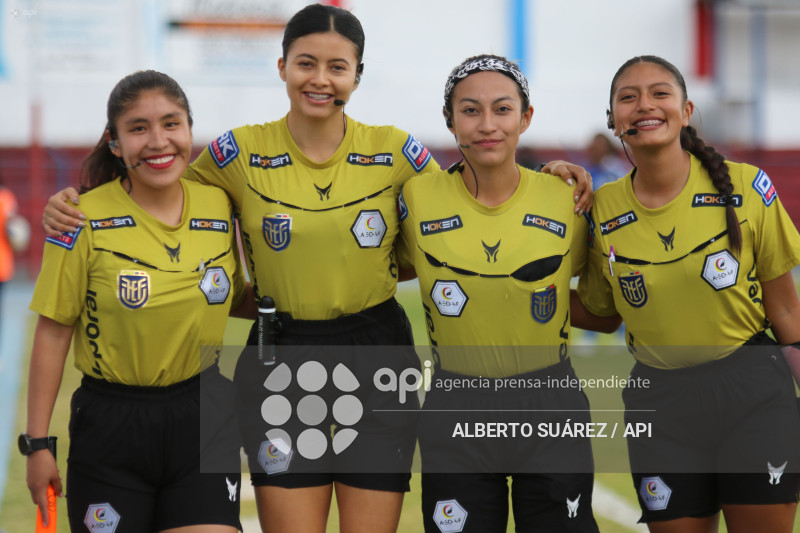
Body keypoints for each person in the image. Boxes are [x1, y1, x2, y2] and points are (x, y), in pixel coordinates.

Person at [39, 7, 593, 532]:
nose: (320, 79)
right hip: (280, 349)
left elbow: (469, 184)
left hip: (377, 352)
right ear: (282, 67)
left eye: (337, 66)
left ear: (357, 75)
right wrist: (79, 203)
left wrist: (548, 175)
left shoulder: (395, 151)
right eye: (306, 63)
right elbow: (157, 186)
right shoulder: (236, 153)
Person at [573, 55, 800, 532]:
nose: (643, 106)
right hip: (659, 400)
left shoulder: (746, 188)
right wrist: (512, 293)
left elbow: (784, 309)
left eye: (660, 93)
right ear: (612, 120)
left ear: (687, 109)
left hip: (752, 392)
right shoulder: (599, 209)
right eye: (627, 98)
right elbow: (601, 313)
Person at [397, 54, 617, 533]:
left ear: (526, 117)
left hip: (550, 402)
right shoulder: (415, 198)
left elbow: (604, 314)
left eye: (502, 109)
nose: (487, 125)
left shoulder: (569, 197)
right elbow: (376, 270)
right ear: (450, 121)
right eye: (470, 110)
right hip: (457, 404)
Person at [24, 70, 252, 532]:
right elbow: (53, 332)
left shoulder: (219, 204)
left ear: (189, 129)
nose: (157, 141)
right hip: (112, 426)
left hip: (204, 412)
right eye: (138, 128)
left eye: (171, 123)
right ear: (114, 142)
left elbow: (237, 297)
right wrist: (38, 444)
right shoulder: (79, 219)